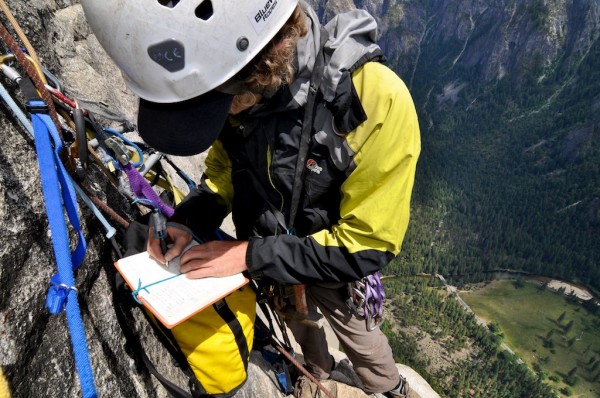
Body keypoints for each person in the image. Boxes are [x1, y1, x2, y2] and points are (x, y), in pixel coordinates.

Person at [82, 1, 420, 397]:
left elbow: (368, 244)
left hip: (332, 263)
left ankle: (390, 386)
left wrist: (249, 256)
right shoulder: (240, 98)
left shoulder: (372, 100)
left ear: (264, 65)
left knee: (360, 338)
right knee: (301, 322)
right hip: (268, 255)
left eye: (221, 104)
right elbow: (222, 176)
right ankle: (316, 373)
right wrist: (186, 222)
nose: (224, 117)